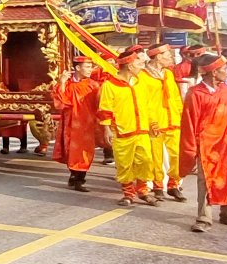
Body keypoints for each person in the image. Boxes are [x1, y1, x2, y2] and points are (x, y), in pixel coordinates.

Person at [180, 53, 227, 232]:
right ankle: (204, 217)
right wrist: (191, 149)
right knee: (206, 181)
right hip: (207, 145)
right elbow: (189, 122)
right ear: (213, 72)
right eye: (224, 69)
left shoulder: (226, 90)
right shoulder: (195, 93)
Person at [98, 46, 162, 206]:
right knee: (124, 164)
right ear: (129, 65)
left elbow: (148, 106)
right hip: (122, 131)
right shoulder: (110, 85)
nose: (142, 65)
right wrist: (106, 129)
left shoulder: (141, 82)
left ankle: (143, 191)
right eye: (138, 62)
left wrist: (153, 123)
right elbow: (105, 109)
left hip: (142, 131)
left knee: (146, 161)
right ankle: (128, 193)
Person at [53, 53, 102, 191]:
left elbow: (100, 104)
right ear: (78, 68)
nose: (90, 69)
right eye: (87, 66)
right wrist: (62, 82)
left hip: (88, 123)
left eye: (91, 66)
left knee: (86, 152)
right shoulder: (67, 84)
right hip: (71, 123)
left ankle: (79, 177)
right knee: (72, 151)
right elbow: (60, 102)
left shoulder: (93, 85)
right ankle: (76, 177)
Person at [149, 45, 186, 200]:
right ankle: (158, 186)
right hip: (156, 122)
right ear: (158, 57)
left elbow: (176, 97)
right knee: (156, 157)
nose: (171, 58)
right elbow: (143, 101)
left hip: (173, 120)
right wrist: (151, 122)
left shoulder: (169, 74)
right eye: (168, 55)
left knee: (177, 155)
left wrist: (181, 115)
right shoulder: (143, 76)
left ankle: (173, 184)